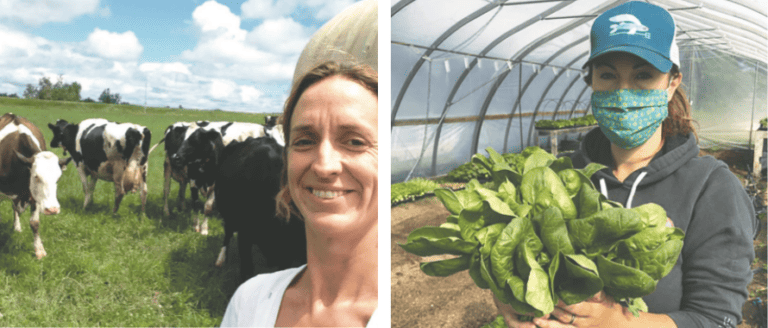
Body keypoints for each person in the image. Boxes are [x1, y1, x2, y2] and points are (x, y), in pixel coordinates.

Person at [494, 2, 755, 327]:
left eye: (643, 75)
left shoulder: (711, 189)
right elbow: (521, 263)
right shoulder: (561, 178)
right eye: (608, 75)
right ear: (591, 82)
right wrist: (508, 296)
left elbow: (716, 319)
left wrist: (617, 321)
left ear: (672, 82)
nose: (623, 92)